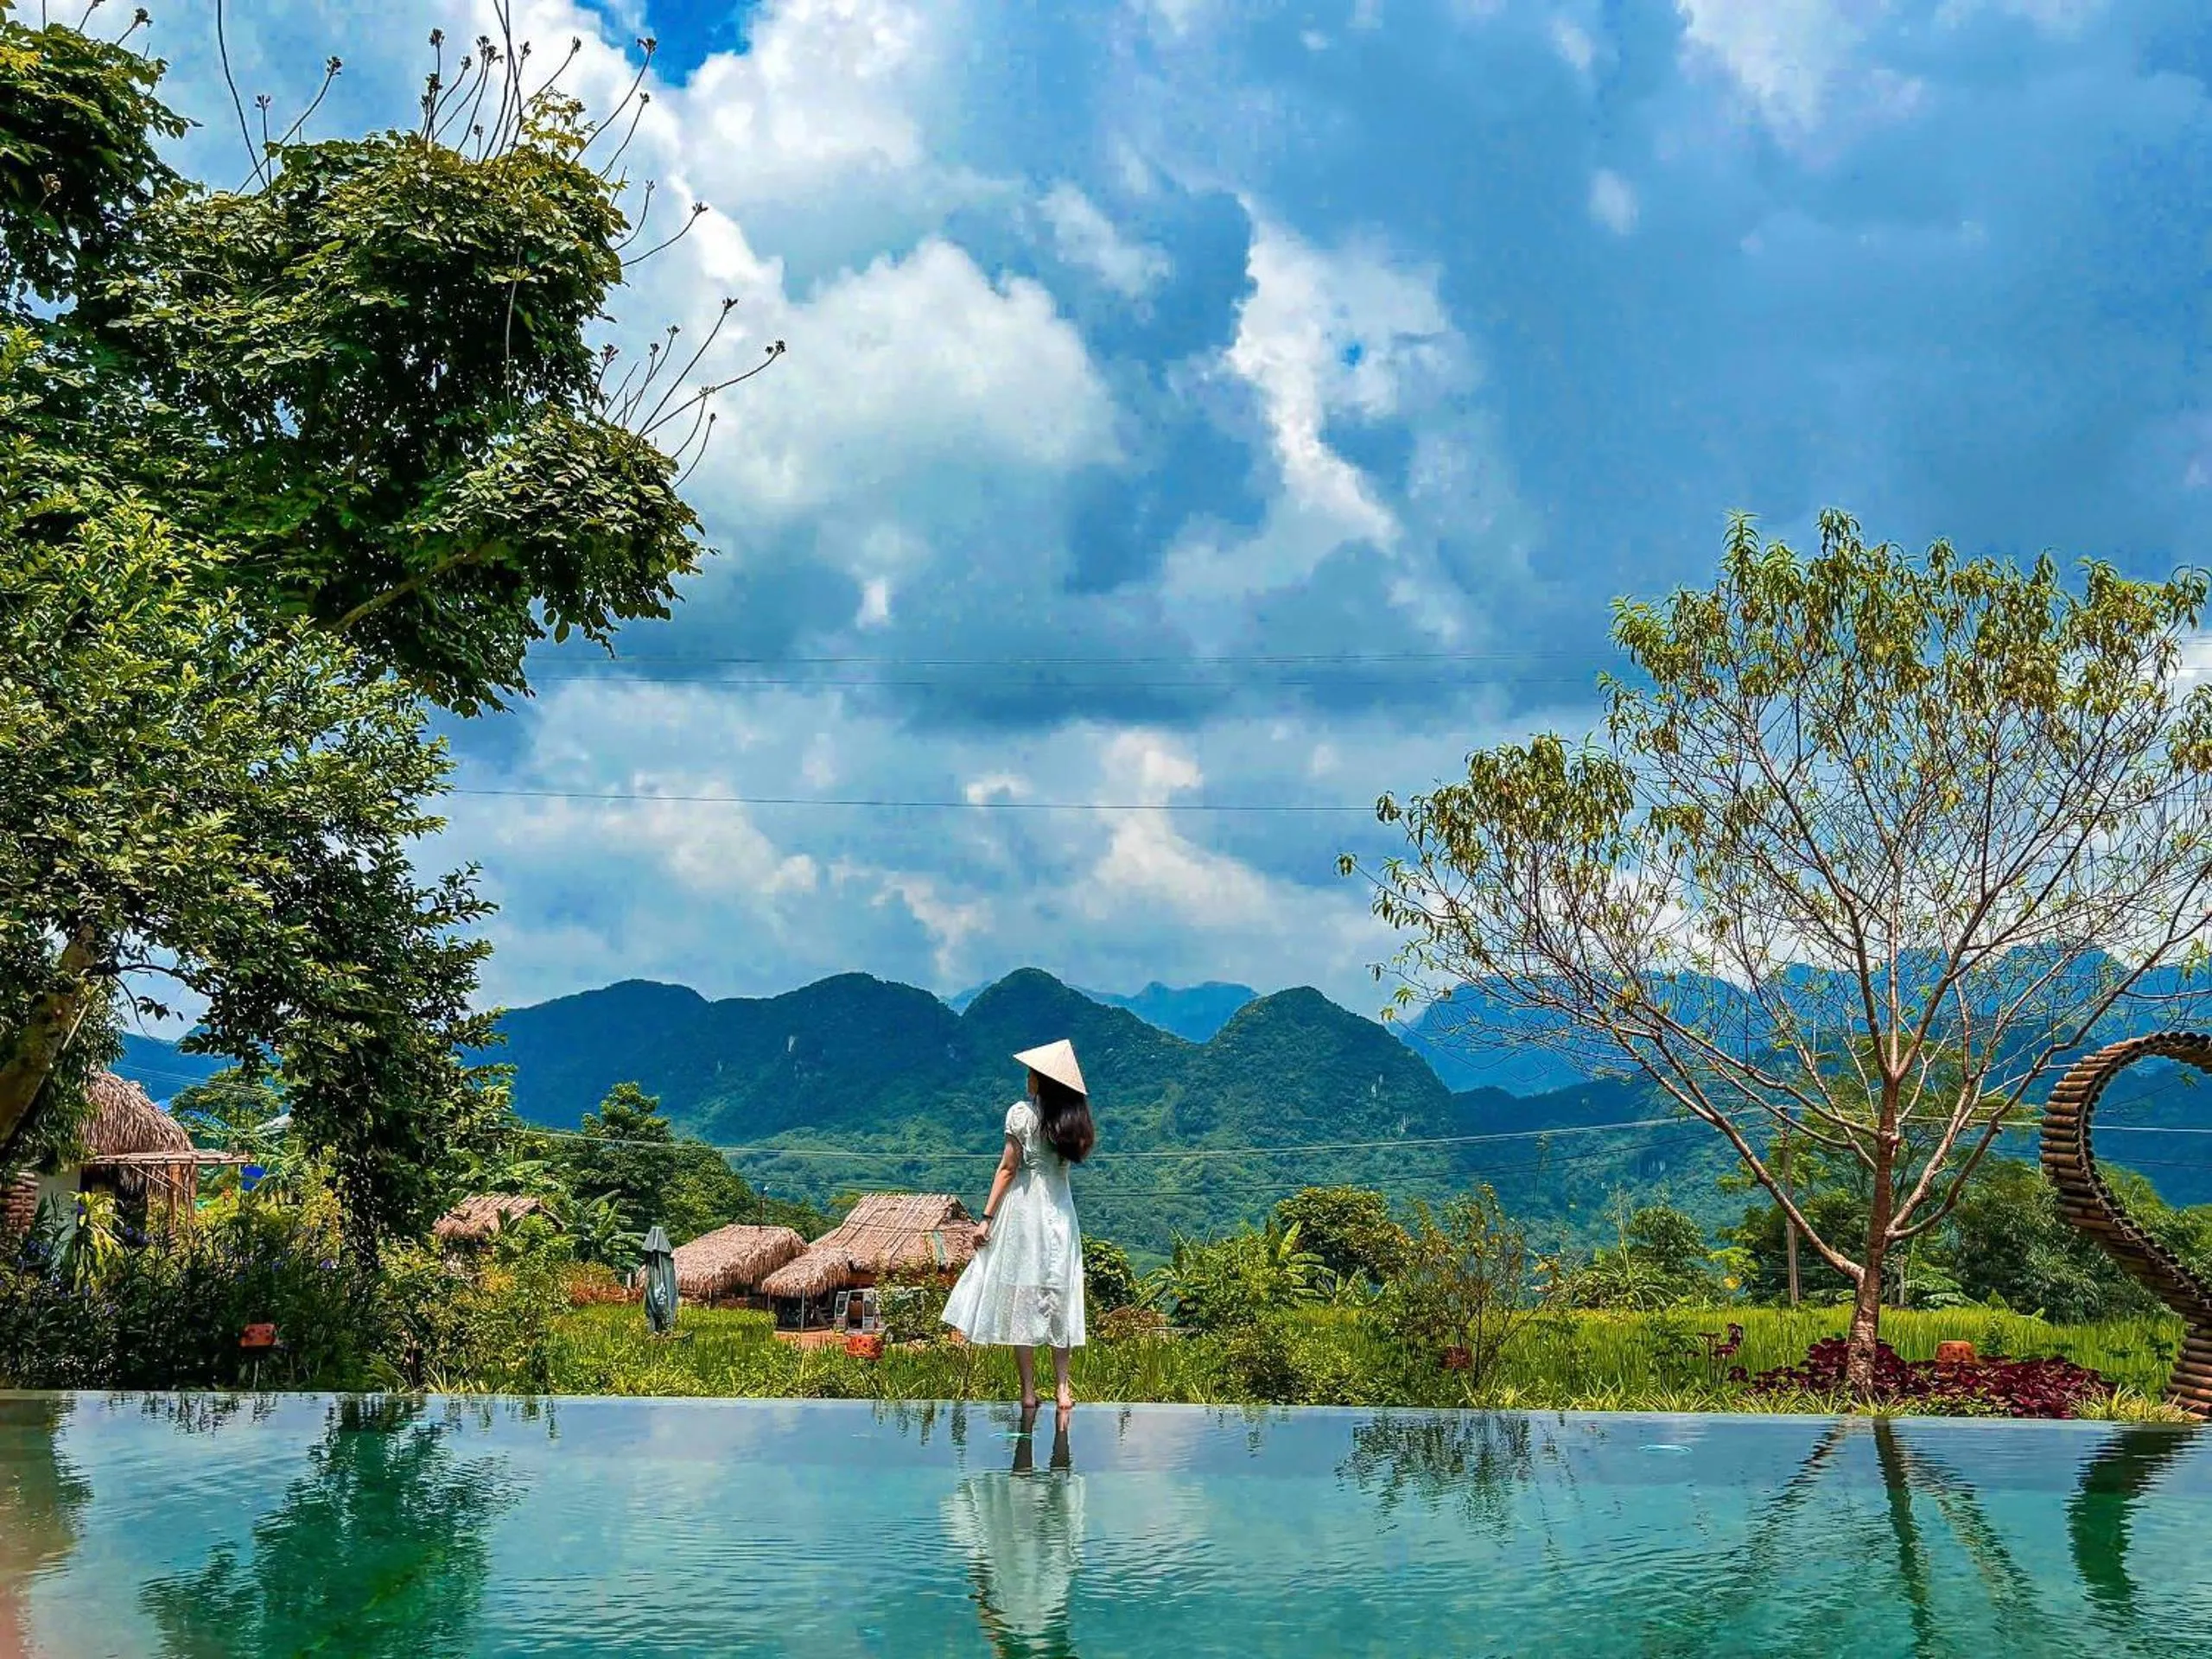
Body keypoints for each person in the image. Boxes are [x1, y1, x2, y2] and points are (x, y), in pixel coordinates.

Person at [941, 1039, 1094, 1410]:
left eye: (1032, 1073)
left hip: (1026, 1213)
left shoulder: (1022, 1115)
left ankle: (1028, 1390)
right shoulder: (1073, 1121)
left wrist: (986, 1218)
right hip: (1060, 1213)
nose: (1027, 1078)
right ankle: (1063, 1388)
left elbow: (1008, 1168)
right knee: (1059, 1294)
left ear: (1043, 1080)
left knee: (1023, 1297)